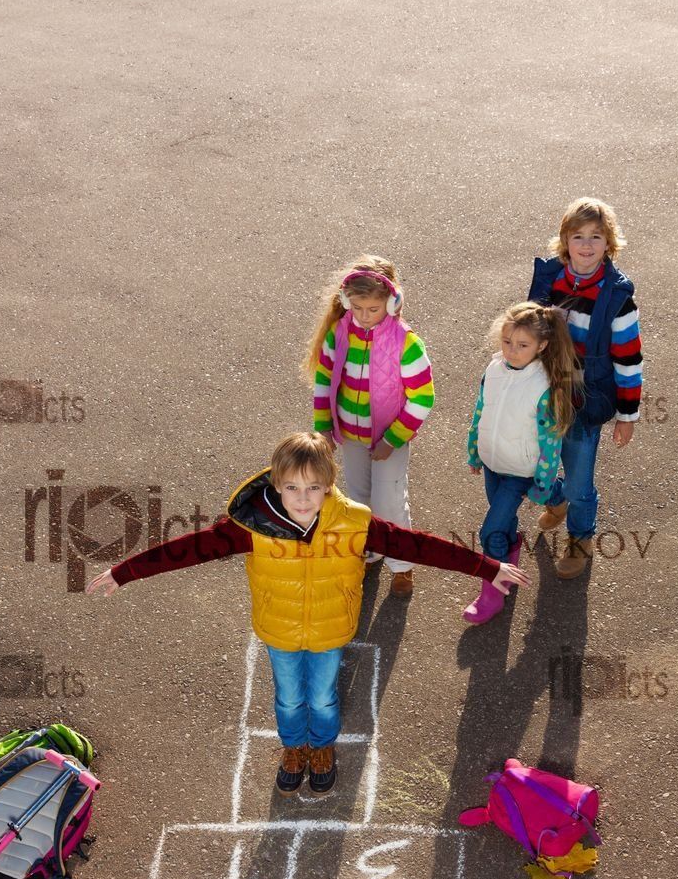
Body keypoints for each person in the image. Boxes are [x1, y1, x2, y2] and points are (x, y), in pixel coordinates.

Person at [86, 433, 528, 797]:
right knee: (288, 698)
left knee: (322, 699)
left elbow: (418, 545)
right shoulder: (249, 527)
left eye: (313, 487)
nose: (303, 498)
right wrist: (125, 572)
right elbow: (187, 549)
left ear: (330, 485)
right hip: (278, 629)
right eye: (293, 487)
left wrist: (486, 567)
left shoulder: (355, 522)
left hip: (332, 629)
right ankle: (292, 748)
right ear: (276, 485)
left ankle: (321, 748)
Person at [304, 255, 434, 599]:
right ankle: (373, 550)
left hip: (390, 437)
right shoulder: (340, 331)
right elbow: (324, 380)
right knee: (359, 497)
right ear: (347, 301)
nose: (363, 315)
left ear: (392, 304)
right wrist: (324, 427)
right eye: (357, 307)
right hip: (351, 434)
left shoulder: (406, 343)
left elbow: (422, 398)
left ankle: (402, 564)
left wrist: (393, 439)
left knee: (389, 501)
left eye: (373, 308)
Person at [528, 197, 643, 578]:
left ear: (609, 243)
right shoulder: (549, 279)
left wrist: (627, 415)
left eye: (597, 236)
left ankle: (580, 537)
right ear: (565, 241)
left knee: (579, 481)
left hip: (585, 398)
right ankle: (555, 500)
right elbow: (526, 331)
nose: (587, 245)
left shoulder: (617, 298)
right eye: (578, 236)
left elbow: (628, 360)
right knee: (534, 466)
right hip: (544, 392)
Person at [465, 303, 583, 624]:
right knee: (503, 527)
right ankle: (516, 544)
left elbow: (551, 440)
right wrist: (474, 449)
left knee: (491, 531)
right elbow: (480, 410)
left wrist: (542, 480)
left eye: (522, 345)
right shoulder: (493, 370)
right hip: (492, 462)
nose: (512, 352)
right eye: (507, 343)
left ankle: (492, 595)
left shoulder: (544, 384)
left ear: (541, 346)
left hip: (521, 470)